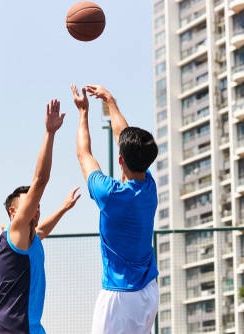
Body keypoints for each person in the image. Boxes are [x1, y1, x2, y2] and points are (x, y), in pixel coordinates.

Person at [71, 84, 159, 334]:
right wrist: (110, 101)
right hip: (149, 292)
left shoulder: (110, 195)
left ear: (120, 159)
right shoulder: (149, 186)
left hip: (120, 296)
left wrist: (83, 112)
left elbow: (83, 154)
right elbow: (125, 136)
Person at [0, 99, 80, 334]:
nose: (36, 208)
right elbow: (40, 180)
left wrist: (63, 208)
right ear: (13, 213)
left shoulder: (30, 239)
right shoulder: (15, 231)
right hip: (10, 329)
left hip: (32, 328)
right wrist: (49, 133)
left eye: (38, 205)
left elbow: (42, 231)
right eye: (31, 204)